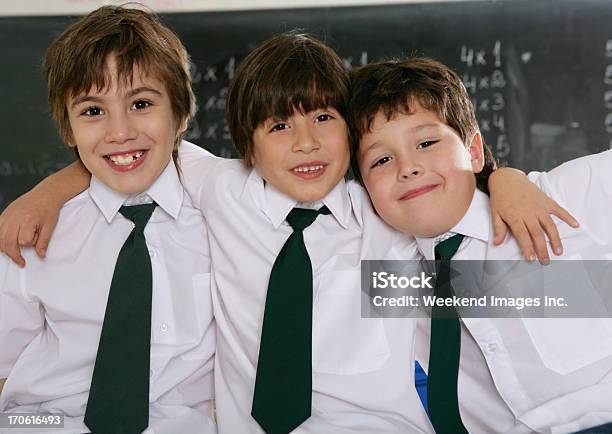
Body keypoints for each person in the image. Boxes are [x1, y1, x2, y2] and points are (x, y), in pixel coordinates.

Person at [0, 32, 575, 433]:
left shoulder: (386, 215)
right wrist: (46, 191)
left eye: (325, 119)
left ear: (354, 136)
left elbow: (447, 185)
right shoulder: (219, 192)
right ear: (247, 146)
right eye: (279, 125)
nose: (305, 144)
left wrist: (504, 177)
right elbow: (133, 150)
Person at [349, 56, 612, 433]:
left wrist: (506, 175)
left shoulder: (562, 198)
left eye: (426, 142)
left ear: (473, 151)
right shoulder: (387, 275)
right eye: (382, 160)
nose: (407, 167)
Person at [0, 6, 216, 434]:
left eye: (140, 103)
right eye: (93, 111)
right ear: (68, 128)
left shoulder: (226, 209)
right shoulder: (33, 232)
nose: (119, 131)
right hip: (43, 423)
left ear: (181, 114)